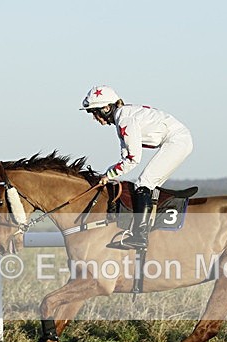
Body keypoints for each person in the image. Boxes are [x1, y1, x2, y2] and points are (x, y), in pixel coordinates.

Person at [80, 85, 193, 249]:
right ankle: (148, 230)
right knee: (149, 185)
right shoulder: (123, 117)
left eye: (94, 112)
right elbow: (126, 156)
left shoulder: (125, 120)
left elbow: (133, 159)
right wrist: (110, 173)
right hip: (177, 139)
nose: (94, 118)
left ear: (106, 108)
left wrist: (108, 175)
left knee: (143, 184)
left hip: (177, 141)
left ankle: (139, 236)